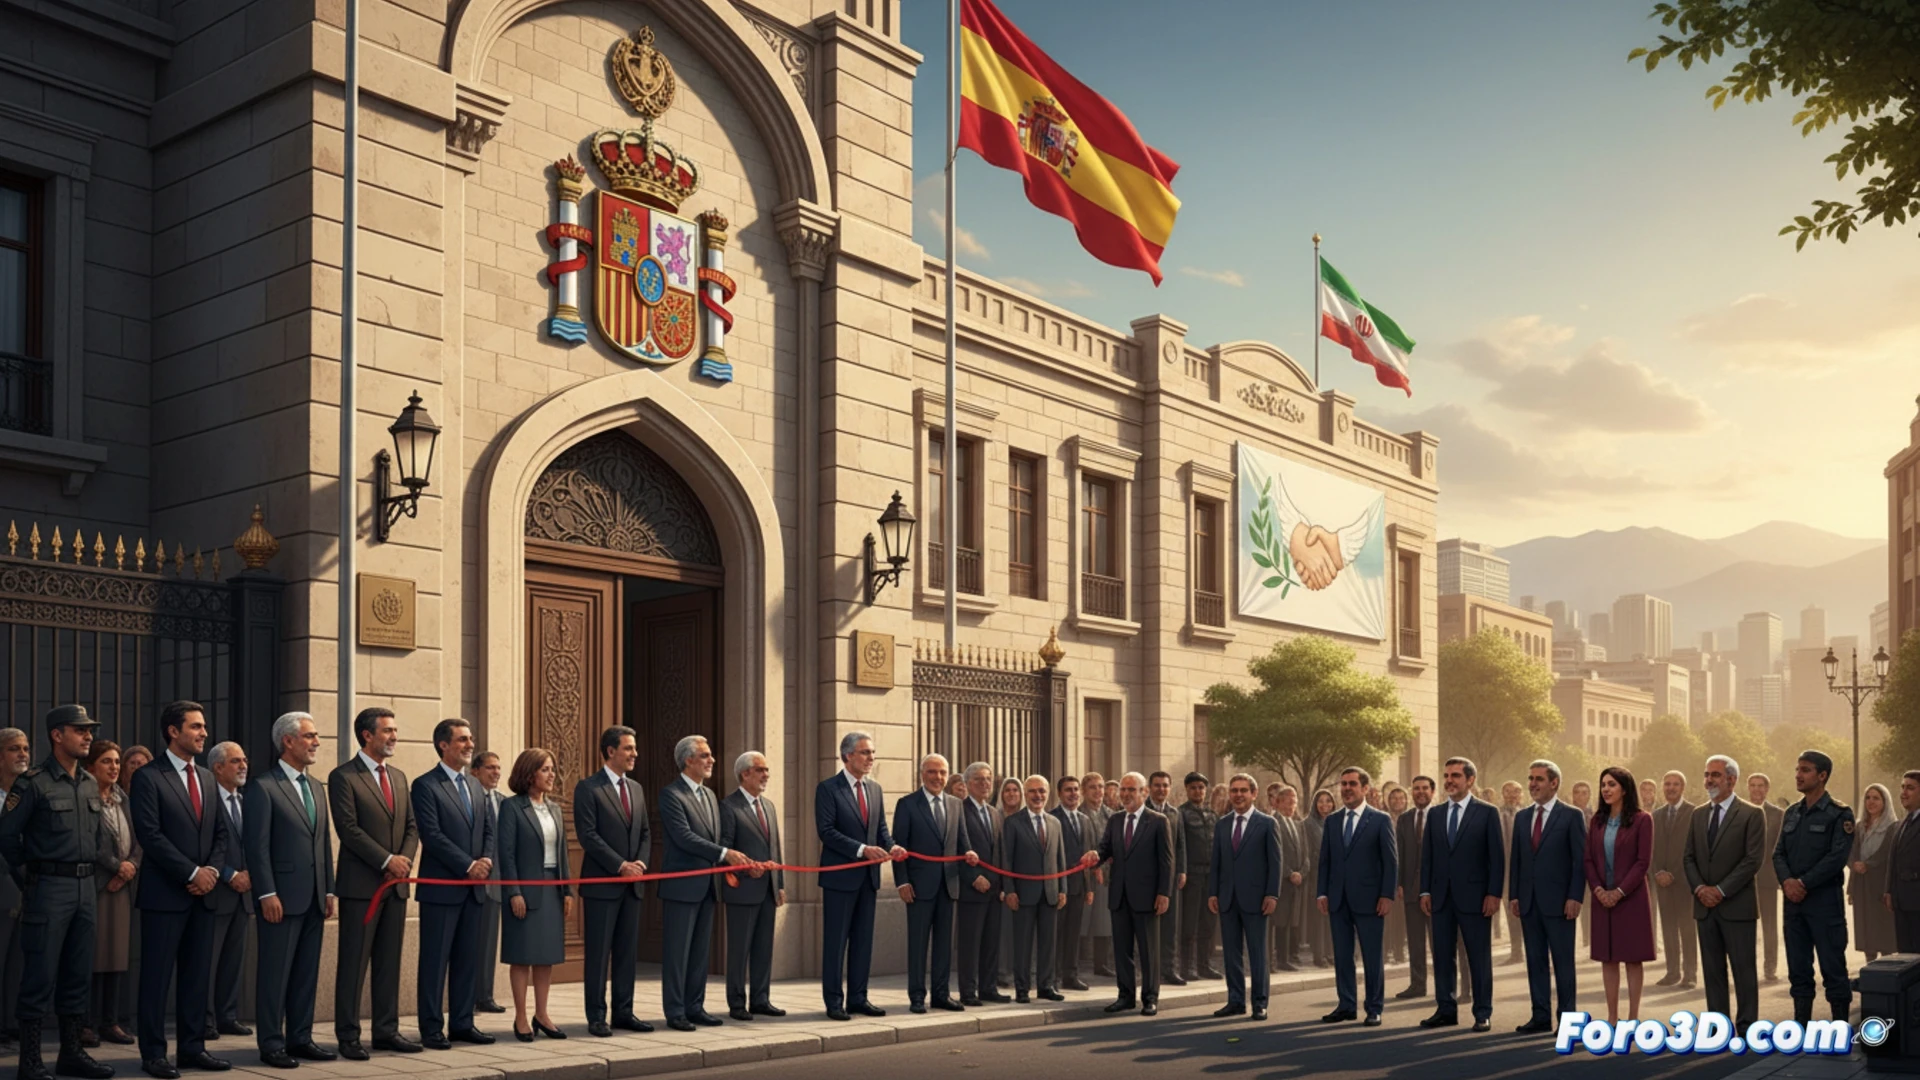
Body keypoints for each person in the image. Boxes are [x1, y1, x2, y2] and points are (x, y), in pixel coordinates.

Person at [0, 706, 118, 1080]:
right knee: (39, 975)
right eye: (79, 730)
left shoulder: (86, 782)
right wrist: (31, 877)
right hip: (49, 887)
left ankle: (71, 1053)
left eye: (89, 731)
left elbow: (97, 838)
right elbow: (7, 837)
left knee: (77, 974)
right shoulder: (33, 783)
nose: (87, 736)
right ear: (57, 735)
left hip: (86, 888)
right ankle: (30, 1062)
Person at [130, 699, 233, 1079]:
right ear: (173, 732)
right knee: (156, 979)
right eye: (195, 726)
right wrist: (191, 872)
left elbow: (222, 832)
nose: (204, 732)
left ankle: (192, 1049)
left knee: (196, 978)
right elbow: (150, 835)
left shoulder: (207, 777)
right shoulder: (149, 777)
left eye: (203, 726)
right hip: (165, 895)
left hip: (204, 896)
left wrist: (211, 871)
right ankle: (153, 1053)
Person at [328, 707, 421, 1058]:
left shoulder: (398, 776)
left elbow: (412, 826)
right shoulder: (343, 777)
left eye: (395, 729)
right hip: (361, 888)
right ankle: (348, 1036)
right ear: (367, 735)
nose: (394, 736)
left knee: (389, 962)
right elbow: (348, 830)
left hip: (395, 887)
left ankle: (386, 1031)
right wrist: (386, 860)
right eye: (388, 730)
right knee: (353, 963)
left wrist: (403, 863)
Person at [246, 712, 336, 1069]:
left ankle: (301, 1038)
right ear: (288, 741)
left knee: (305, 974)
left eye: (316, 736)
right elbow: (257, 848)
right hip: (280, 899)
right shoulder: (263, 786)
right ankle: (271, 1043)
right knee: (274, 974)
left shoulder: (315, 786)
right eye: (309, 736)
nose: (316, 742)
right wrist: (267, 893)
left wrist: (329, 889)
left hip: (314, 897)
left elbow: (323, 843)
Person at [412, 718, 495, 1050]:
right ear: (443, 745)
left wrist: (486, 860)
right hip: (442, 890)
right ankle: (432, 1028)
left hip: (475, 890)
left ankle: (463, 1023)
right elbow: (432, 836)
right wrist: (468, 865)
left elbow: (489, 828)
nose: (469, 744)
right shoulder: (426, 785)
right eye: (462, 739)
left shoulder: (475, 785)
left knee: (466, 960)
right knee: (435, 962)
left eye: (471, 738)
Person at [659, 735, 746, 1032]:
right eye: (705, 756)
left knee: (699, 953)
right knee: (677, 953)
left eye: (711, 756)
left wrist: (732, 862)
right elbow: (684, 837)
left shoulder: (710, 796)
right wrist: (724, 853)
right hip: (681, 887)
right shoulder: (671, 795)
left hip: (708, 885)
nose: (712, 761)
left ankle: (695, 1006)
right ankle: (675, 1011)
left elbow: (716, 836)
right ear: (688, 760)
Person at [814, 731, 902, 1022]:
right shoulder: (828, 789)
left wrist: (892, 846)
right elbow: (826, 831)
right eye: (865, 753)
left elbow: (881, 830)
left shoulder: (875, 789)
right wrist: (862, 850)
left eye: (872, 753)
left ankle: (858, 998)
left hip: (869, 880)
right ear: (847, 755)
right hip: (840, 880)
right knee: (836, 943)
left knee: (863, 942)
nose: (871, 759)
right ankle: (834, 1002)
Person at [572, 726, 652, 1038]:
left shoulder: (637, 789)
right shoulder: (588, 788)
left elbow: (645, 832)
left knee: (626, 953)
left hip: (633, 886)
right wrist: (620, 866)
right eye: (628, 749)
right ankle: (596, 1016)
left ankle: (624, 1012)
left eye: (634, 748)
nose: (634, 754)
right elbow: (588, 836)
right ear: (610, 752)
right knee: (598, 954)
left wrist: (641, 864)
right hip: (602, 886)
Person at [1419, 756, 1503, 1033]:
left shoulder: (1488, 812)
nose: (1449, 781)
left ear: (1470, 780)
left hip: (1476, 898)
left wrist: (1493, 893)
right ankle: (1445, 1009)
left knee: (1478, 957)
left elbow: (1497, 858)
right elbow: (1427, 857)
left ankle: (1482, 1012)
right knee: (1442, 956)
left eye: (1455, 775)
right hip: (1441, 897)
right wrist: (1425, 890)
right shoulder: (1435, 813)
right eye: (1446, 775)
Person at [1080, 772, 1173, 1016]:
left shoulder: (1158, 821)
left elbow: (1167, 862)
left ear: (1144, 793)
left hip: (1147, 897)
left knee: (1148, 950)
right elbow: (1105, 848)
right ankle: (1126, 996)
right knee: (1121, 949)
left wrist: (1164, 893)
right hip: (1119, 895)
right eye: (1123, 790)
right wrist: (1095, 856)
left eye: (1131, 790)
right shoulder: (1115, 820)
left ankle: (1150, 997)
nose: (1126, 794)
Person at [495, 748, 571, 1043]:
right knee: (522, 957)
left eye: (552, 769)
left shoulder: (554, 808)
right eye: (546, 770)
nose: (552, 775)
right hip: (525, 892)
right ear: (529, 775)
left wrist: (567, 890)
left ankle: (543, 1014)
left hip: (552, 890)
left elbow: (562, 853)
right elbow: (507, 854)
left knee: (546, 957)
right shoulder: (512, 808)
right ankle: (521, 1017)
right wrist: (514, 892)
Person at [1684, 754, 1763, 1033]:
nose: (1708, 780)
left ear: (1732, 779)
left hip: (1737, 907)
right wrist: (1700, 889)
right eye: (1706, 775)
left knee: (1743, 970)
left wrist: (1719, 890)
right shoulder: (1698, 814)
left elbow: (1752, 861)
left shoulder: (1752, 814)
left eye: (1715, 775)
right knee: (1712, 971)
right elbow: (1689, 858)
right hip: (1705, 908)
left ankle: (1746, 1026)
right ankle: (1717, 1026)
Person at [1774, 749, 1854, 1024]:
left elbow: (1836, 858)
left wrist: (1803, 882)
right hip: (1794, 905)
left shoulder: (1839, 814)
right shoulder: (1791, 813)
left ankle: (1840, 1026)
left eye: (1805, 770)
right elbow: (1778, 854)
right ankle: (1801, 1026)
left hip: (1824, 904)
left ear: (1822, 776)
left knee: (1833, 967)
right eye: (1797, 769)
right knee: (1798, 968)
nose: (1798, 775)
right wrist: (1787, 882)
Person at [1509, 760, 1585, 1035]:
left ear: (1554, 783)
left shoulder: (1572, 816)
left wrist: (1575, 896)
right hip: (1529, 902)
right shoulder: (1522, 816)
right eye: (1530, 779)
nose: (1532, 784)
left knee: (1563, 964)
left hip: (1560, 903)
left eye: (1538, 779)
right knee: (1535, 961)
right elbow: (1517, 859)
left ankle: (1568, 1022)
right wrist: (1514, 894)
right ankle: (1540, 1016)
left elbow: (1580, 861)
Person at [1318, 766, 1396, 1027]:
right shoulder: (1332, 821)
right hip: (1338, 899)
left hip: (1371, 900)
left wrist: (1386, 895)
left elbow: (1390, 862)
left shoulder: (1380, 820)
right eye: (1343, 784)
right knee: (1342, 956)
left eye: (1352, 784)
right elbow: (1325, 861)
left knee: (1372, 957)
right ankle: (1346, 1005)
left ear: (1365, 788)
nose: (1346, 788)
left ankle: (1374, 1008)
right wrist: (1322, 892)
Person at [892, 754, 964, 1014]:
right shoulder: (907, 804)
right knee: (918, 944)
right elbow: (899, 846)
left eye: (943, 772)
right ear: (922, 774)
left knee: (944, 944)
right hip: (919, 887)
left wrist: (971, 858)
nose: (938, 778)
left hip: (948, 885)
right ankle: (917, 996)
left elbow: (962, 844)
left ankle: (941, 995)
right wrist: (902, 882)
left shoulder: (957, 805)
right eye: (932, 772)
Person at [720, 751, 786, 1020]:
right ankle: (736, 1003)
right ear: (745, 773)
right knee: (739, 949)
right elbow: (725, 849)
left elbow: (775, 848)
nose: (766, 775)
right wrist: (747, 871)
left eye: (767, 770)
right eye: (760, 770)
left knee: (763, 948)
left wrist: (779, 884)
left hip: (767, 891)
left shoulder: (768, 806)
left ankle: (761, 999)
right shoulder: (728, 807)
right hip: (742, 891)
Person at [1209, 774, 1281, 1021]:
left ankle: (1259, 1003)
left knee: (1258, 953)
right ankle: (1235, 1001)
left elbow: (1275, 863)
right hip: (1228, 898)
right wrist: (1213, 893)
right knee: (1231, 953)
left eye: (1243, 790)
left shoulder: (1267, 824)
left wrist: (1272, 893)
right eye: (1234, 790)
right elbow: (1216, 863)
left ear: (1253, 793)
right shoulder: (1222, 824)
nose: (1238, 795)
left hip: (1257, 899)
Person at [1587, 766, 1653, 1024]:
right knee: (1608, 958)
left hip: (1632, 898)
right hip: (1602, 898)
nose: (1606, 789)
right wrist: (1600, 890)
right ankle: (1612, 1017)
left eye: (1611, 784)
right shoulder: (1596, 821)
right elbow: (1588, 860)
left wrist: (1620, 891)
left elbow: (1642, 862)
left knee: (1633, 959)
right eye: (1603, 784)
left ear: (1624, 789)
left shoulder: (1642, 819)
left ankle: (1633, 1017)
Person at [86, 741, 139, 1048]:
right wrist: (116, 868)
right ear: (91, 766)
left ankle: (111, 1020)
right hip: (97, 885)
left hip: (122, 888)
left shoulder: (123, 799)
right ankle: (85, 1023)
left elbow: (138, 838)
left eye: (117, 762)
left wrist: (131, 865)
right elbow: (91, 841)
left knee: (117, 955)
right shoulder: (86, 797)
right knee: (92, 956)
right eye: (107, 761)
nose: (115, 767)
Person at [202, 743, 249, 1045]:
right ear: (218, 767)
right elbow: (207, 846)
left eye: (244, 760)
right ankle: (204, 1020)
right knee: (208, 960)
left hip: (244, 895)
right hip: (217, 892)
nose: (243, 765)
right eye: (236, 761)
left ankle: (227, 1015)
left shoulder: (245, 800)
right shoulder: (207, 801)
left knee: (233, 959)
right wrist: (230, 875)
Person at [1004, 775, 1067, 1003]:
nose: (1037, 796)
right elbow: (1007, 861)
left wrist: (1063, 889)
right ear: (1025, 794)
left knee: (1048, 944)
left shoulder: (1055, 823)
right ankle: (1022, 989)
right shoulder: (1012, 822)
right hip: (1023, 894)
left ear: (1047, 793)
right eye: (1032, 791)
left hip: (1050, 893)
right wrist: (1009, 890)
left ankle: (1046, 986)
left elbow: (1060, 859)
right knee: (1022, 944)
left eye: (1041, 791)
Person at [956, 762, 1006, 1005]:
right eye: (979, 779)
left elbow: (1000, 853)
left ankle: (989, 988)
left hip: (994, 890)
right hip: (971, 889)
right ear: (967, 784)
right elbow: (955, 849)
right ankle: (968, 991)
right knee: (970, 943)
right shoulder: (959, 810)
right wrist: (973, 877)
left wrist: (1002, 884)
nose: (985, 784)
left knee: (991, 943)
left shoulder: (995, 813)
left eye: (988, 779)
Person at [117, 743, 152, 1045]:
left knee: (136, 956)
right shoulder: (118, 799)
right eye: (132, 763)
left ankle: (127, 1018)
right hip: (116, 883)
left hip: (144, 883)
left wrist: (134, 862)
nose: (138, 768)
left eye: (144, 763)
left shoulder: (152, 795)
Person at [0, 726, 32, 1050]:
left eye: (25, 748)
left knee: (18, 963)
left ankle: (10, 1022)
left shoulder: (27, 794)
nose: (23, 753)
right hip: (3, 888)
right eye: (14, 748)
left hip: (26, 888)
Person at [1651, 769, 1698, 990]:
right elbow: (1651, 850)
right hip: (1662, 883)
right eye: (1667, 784)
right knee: (1668, 928)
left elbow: (1695, 850)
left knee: (1687, 929)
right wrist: (1657, 872)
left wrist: (1675, 875)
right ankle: (1672, 972)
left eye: (1675, 784)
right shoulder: (1656, 816)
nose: (1671, 788)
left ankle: (1690, 974)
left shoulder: (1695, 813)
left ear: (1683, 788)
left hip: (1685, 883)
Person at [469, 752, 506, 1016]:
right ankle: (467, 994)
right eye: (490, 768)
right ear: (475, 771)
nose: (496, 773)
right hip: (471, 878)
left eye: (498, 768)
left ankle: (485, 994)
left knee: (490, 940)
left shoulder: (504, 803)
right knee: (471, 941)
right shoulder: (470, 798)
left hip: (497, 882)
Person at [1049, 775, 1094, 991]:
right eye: (1068, 790)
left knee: (1073, 934)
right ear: (1059, 793)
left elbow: (1087, 856)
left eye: (1076, 789)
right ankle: (1053, 977)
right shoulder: (1052, 818)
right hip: (1058, 887)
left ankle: (1071, 975)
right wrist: (1058, 886)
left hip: (1078, 887)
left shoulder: (1085, 820)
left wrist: (1088, 888)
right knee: (1056, 934)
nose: (1073, 793)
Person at [1144, 772, 1188, 989]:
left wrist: (1182, 870)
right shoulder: (1141, 811)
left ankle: (1169, 969)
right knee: (1147, 925)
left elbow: (1181, 844)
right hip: (1146, 877)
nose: (1161, 789)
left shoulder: (1175, 813)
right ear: (1149, 787)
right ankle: (1149, 969)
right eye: (1157, 785)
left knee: (1170, 925)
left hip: (1170, 877)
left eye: (1165, 786)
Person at [1849, 782, 1898, 963]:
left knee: (1883, 932)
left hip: (1881, 884)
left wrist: (1868, 864)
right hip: (1861, 884)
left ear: (1885, 801)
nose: (1871, 802)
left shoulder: (1893, 827)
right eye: (1868, 798)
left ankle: (1885, 972)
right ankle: (1869, 966)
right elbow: (1851, 850)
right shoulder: (1859, 826)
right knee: (1866, 931)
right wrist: (1854, 864)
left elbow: (1887, 853)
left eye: (1876, 798)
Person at [1394, 776, 1434, 1000]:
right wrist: (1399, 883)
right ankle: (1417, 984)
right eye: (1416, 788)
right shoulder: (1405, 819)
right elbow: (1399, 853)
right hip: (1410, 889)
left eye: (1424, 788)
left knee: (1440, 943)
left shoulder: (1440, 816)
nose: (1420, 792)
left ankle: (1445, 987)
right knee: (1416, 942)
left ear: (1432, 791)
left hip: (1436, 891)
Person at [1178, 772, 1219, 980]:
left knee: (1208, 923)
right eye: (1193, 787)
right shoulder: (1181, 814)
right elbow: (1180, 846)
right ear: (1187, 790)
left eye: (1201, 787)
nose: (1198, 791)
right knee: (1189, 924)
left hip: (1210, 875)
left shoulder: (1213, 815)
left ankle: (1205, 964)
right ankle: (1188, 967)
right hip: (1192, 875)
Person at [1749, 771, 1785, 983]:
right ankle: (1747, 967)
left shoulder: (1777, 814)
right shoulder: (1739, 811)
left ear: (1767, 789)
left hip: (1767, 879)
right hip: (1743, 880)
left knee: (1769, 925)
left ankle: (1769, 967)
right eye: (1753, 785)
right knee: (1746, 927)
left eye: (1760, 785)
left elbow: (1780, 847)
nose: (1756, 789)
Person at [1079, 772, 1112, 977]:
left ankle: (1101, 964)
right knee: (1081, 920)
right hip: (1083, 873)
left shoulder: (1111, 814)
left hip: (1107, 874)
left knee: (1104, 920)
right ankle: (1077, 962)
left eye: (1101, 786)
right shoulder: (1080, 813)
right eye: (1093, 787)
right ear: (1084, 791)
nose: (1098, 791)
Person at [1269, 786, 1305, 973]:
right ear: (1279, 802)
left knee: (1290, 921)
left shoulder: (1297, 824)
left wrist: (1301, 872)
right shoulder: (1272, 822)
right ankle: (1273, 960)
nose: (1292, 805)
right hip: (1280, 881)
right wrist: (1289, 872)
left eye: (1295, 802)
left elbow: (1305, 854)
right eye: (1289, 801)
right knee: (1278, 922)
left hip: (1296, 882)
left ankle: (1285, 958)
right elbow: (1275, 854)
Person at [1885, 771, 1920, 952]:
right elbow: (1894, 859)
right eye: (1903, 787)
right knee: (1906, 957)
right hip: (1902, 902)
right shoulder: (1903, 823)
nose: (1904, 793)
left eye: (1910, 788)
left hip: (1917, 900)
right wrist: (1889, 890)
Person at [994, 778, 1024, 991]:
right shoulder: (996, 818)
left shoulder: (1026, 818)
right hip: (1002, 884)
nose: (1012, 794)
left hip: (1027, 883)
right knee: (1003, 931)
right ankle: (1002, 972)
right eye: (1008, 790)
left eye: (1016, 790)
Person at [1306, 790, 1334, 968]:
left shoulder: (1335, 822)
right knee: (1318, 918)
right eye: (1321, 802)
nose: (1325, 805)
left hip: (1335, 876)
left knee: (1331, 918)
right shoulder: (1308, 824)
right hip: (1316, 876)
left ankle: (1330, 953)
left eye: (1328, 801)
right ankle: (1319, 955)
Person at [1497, 781, 1523, 964]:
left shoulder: (1529, 814)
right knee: (1511, 911)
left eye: (1516, 792)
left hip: (1527, 872)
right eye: (1508, 791)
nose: (1512, 795)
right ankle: (1516, 952)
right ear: (1502, 794)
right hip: (1505, 871)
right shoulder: (1497, 814)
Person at [1569, 779, 1595, 951]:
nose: (1581, 796)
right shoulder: (1566, 814)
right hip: (1571, 868)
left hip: (1592, 866)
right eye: (1577, 792)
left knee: (1590, 905)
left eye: (1584, 792)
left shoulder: (1598, 816)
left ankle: (1589, 941)